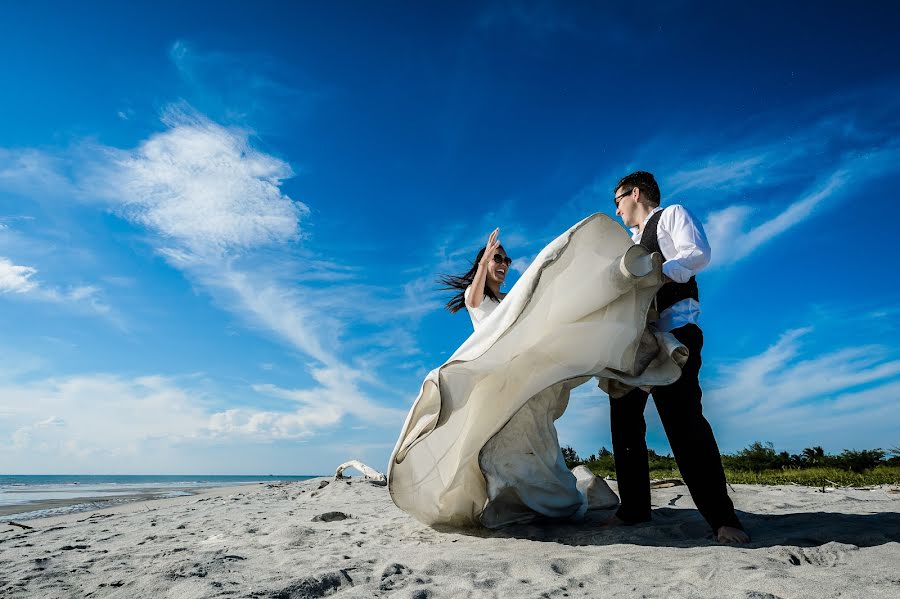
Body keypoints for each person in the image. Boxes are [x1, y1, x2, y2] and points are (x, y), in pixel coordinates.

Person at [607, 170, 750, 544]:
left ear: (635, 193)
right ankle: (634, 509)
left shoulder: (670, 216)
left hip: (674, 334)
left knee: (684, 423)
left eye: (617, 199)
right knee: (623, 422)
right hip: (636, 342)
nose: (617, 208)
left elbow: (696, 253)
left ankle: (722, 518)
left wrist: (654, 273)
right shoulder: (629, 243)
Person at [438, 228, 512, 329]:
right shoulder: (473, 292)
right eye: (497, 259)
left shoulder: (510, 297)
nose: (503, 264)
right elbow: (473, 302)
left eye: (507, 260)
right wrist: (484, 262)